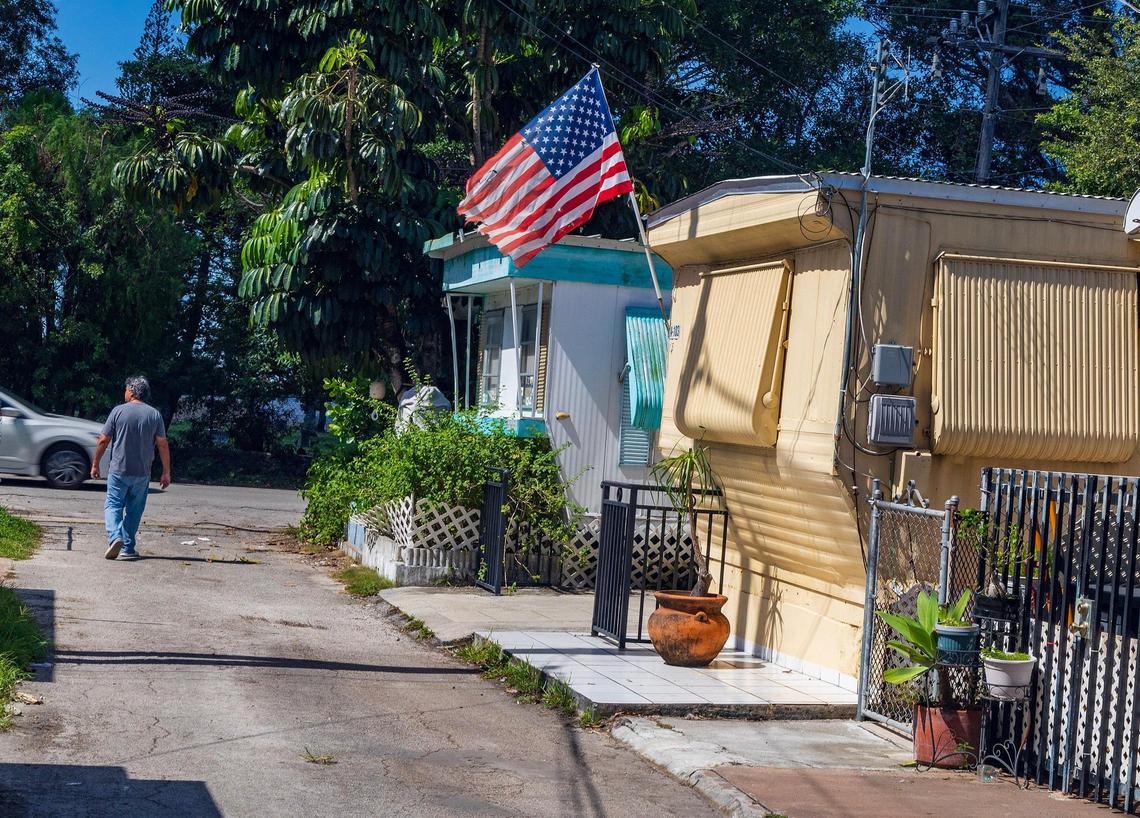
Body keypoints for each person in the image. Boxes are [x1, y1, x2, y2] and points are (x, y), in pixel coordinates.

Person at [91, 376, 172, 561]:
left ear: (132, 391)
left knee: (113, 505)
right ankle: (128, 548)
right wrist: (166, 472)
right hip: (142, 473)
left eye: (126, 389)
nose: (124, 392)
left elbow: (103, 439)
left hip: (119, 470)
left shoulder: (118, 411)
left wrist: (95, 463)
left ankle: (115, 537)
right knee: (134, 510)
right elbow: (162, 445)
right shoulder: (154, 415)